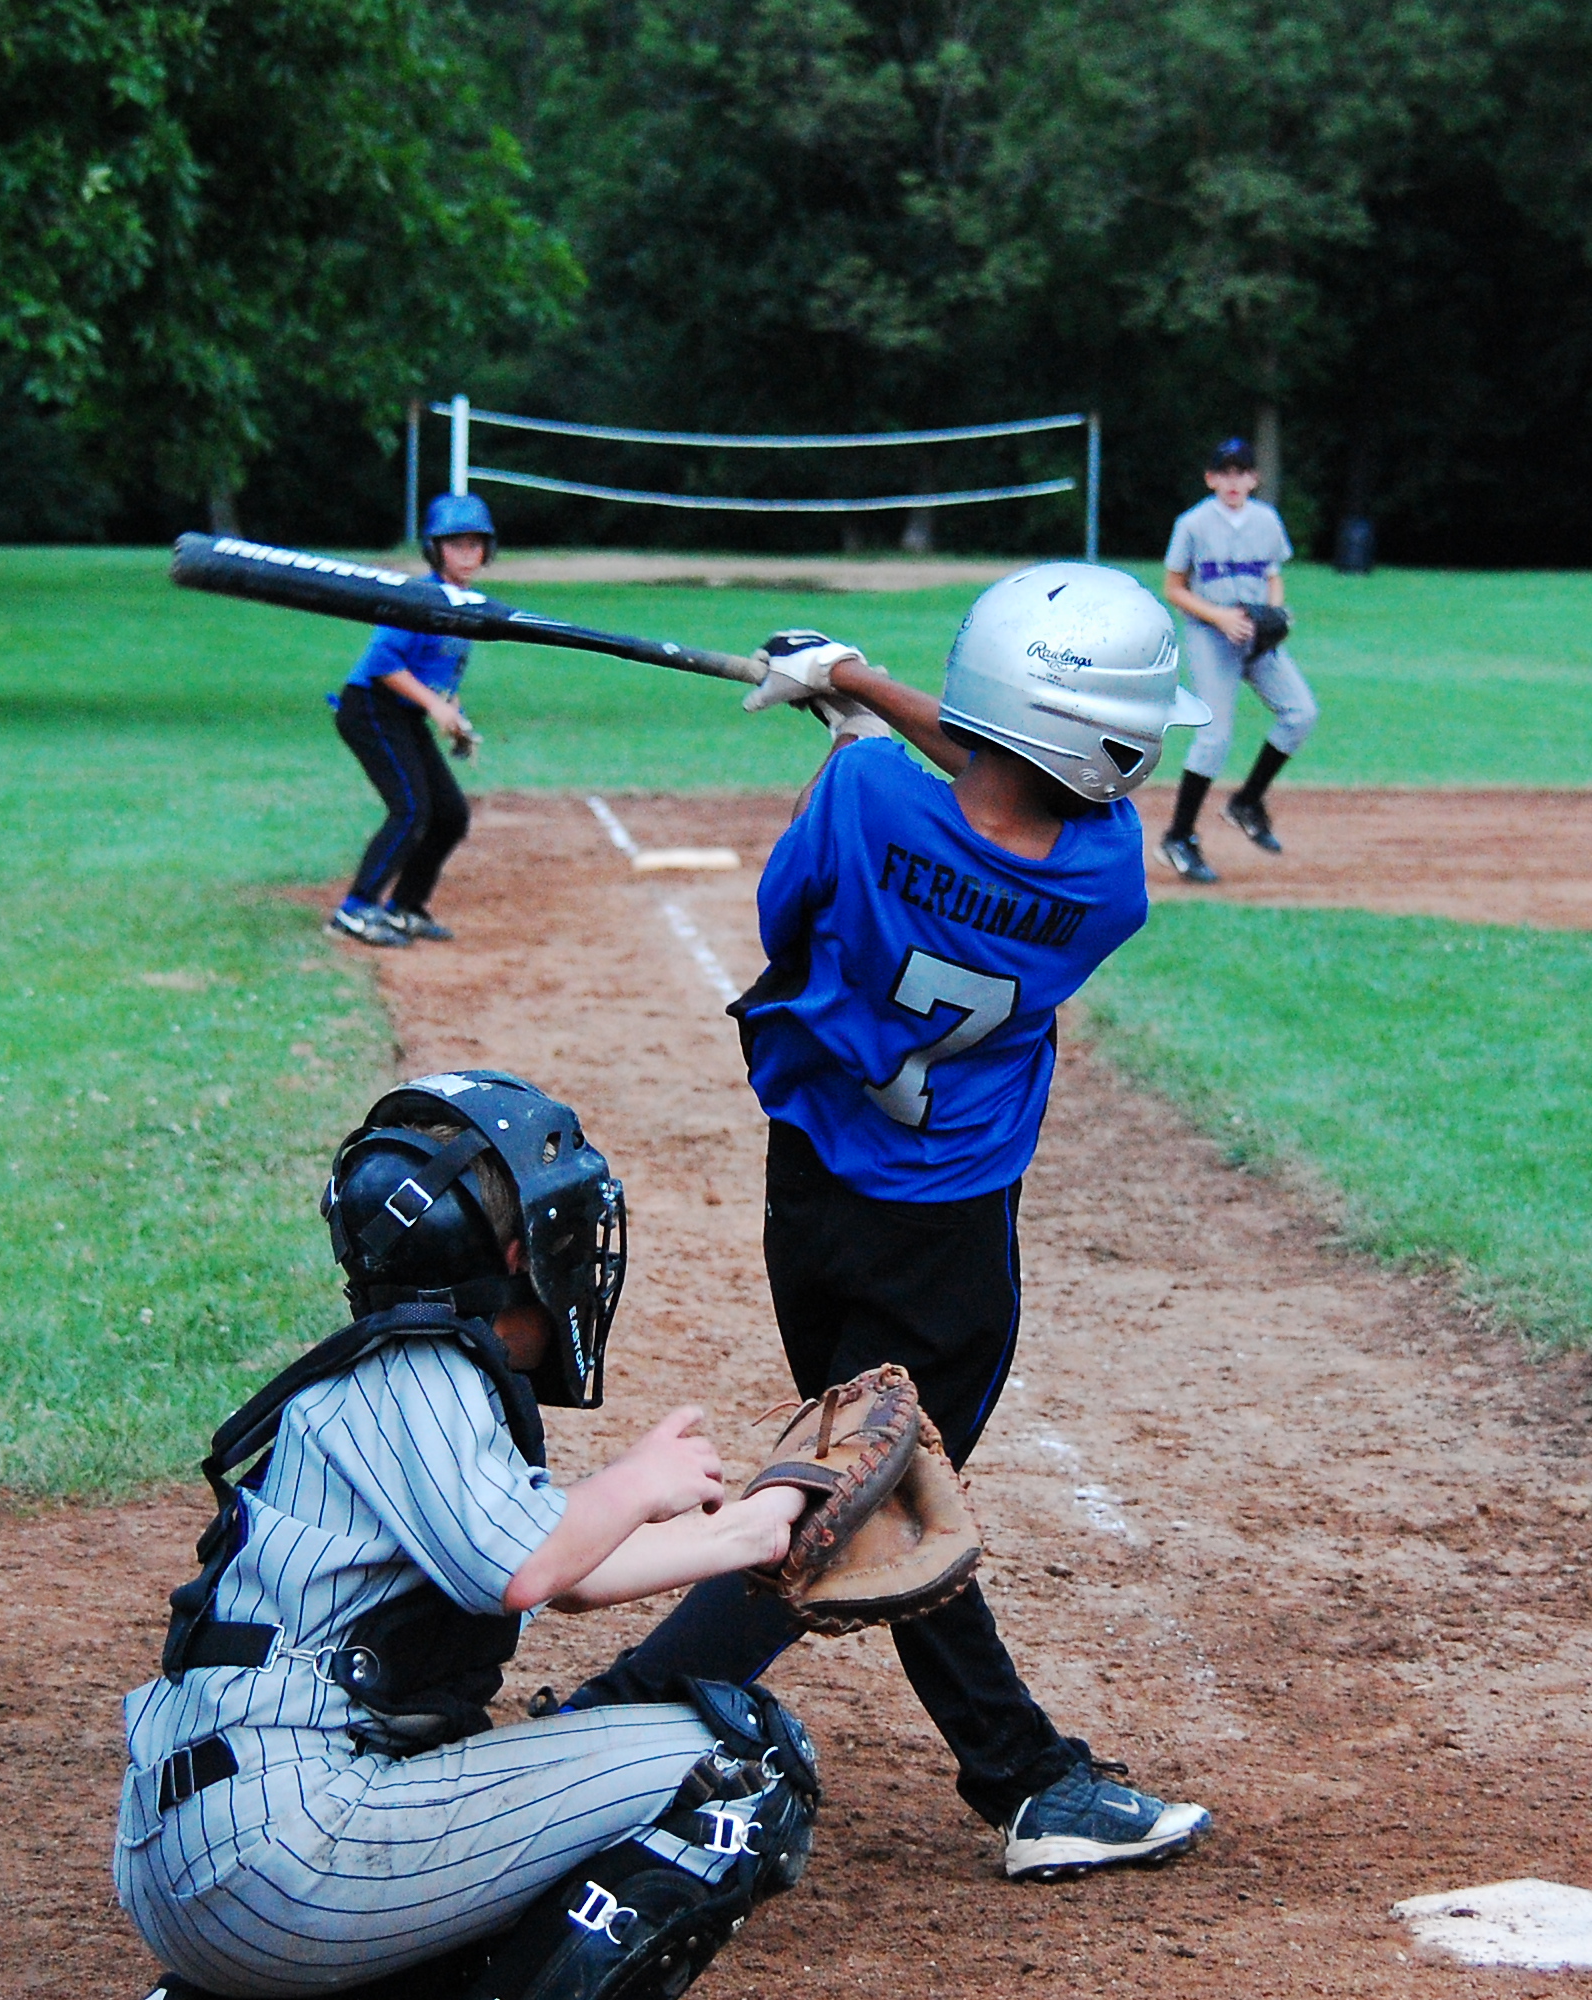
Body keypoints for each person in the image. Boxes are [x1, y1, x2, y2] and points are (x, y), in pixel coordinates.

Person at [564, 568, 1218, 1883]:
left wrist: (847, 701)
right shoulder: (1110, 883)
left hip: (810, 1193)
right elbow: (1021, 779)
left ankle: (1019, 1770)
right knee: (861, 1508)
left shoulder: (864, 794)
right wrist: (856, 685)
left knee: (874, 1489)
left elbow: (791, 914)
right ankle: (604, 1736)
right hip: (945, 1241)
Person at [119, 1071, 824, 2000]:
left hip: (221, 1855)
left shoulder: (393, 1375)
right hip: (286, 1854)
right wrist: (636, 1481)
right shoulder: (426, 1373)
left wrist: (756, 1532)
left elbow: (570, 1569)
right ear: (521, 1251)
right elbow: (529, 1569)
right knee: (742, 1768)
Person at [329, 494, 493, 949]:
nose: (467, 554)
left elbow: (442, 679)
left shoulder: (468, 605)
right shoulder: (416, 598)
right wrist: (436, 709)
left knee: (450, 815)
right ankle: (355, 909)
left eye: (475, 544)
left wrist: (456, 718)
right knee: (411, 809)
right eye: (455, 544)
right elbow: (383, 664)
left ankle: (405, 907)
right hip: (370, 707)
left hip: (403, 714)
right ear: (434, 549)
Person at [1157, 435, 1319, 885]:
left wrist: (1274, 612)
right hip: (1212, 635)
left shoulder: (1266, 521)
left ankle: (1247, 802)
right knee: (1214, 737)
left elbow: (1272, 575)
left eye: (1241, 472)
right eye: (1224, 472)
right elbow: (1173, 588)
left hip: (1255, 636)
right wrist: (1220, 617)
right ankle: (1178, 837)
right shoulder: (1193, 524)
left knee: (1301, 713)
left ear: (1254, 478)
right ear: (1210, 479)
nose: (1233, 480)